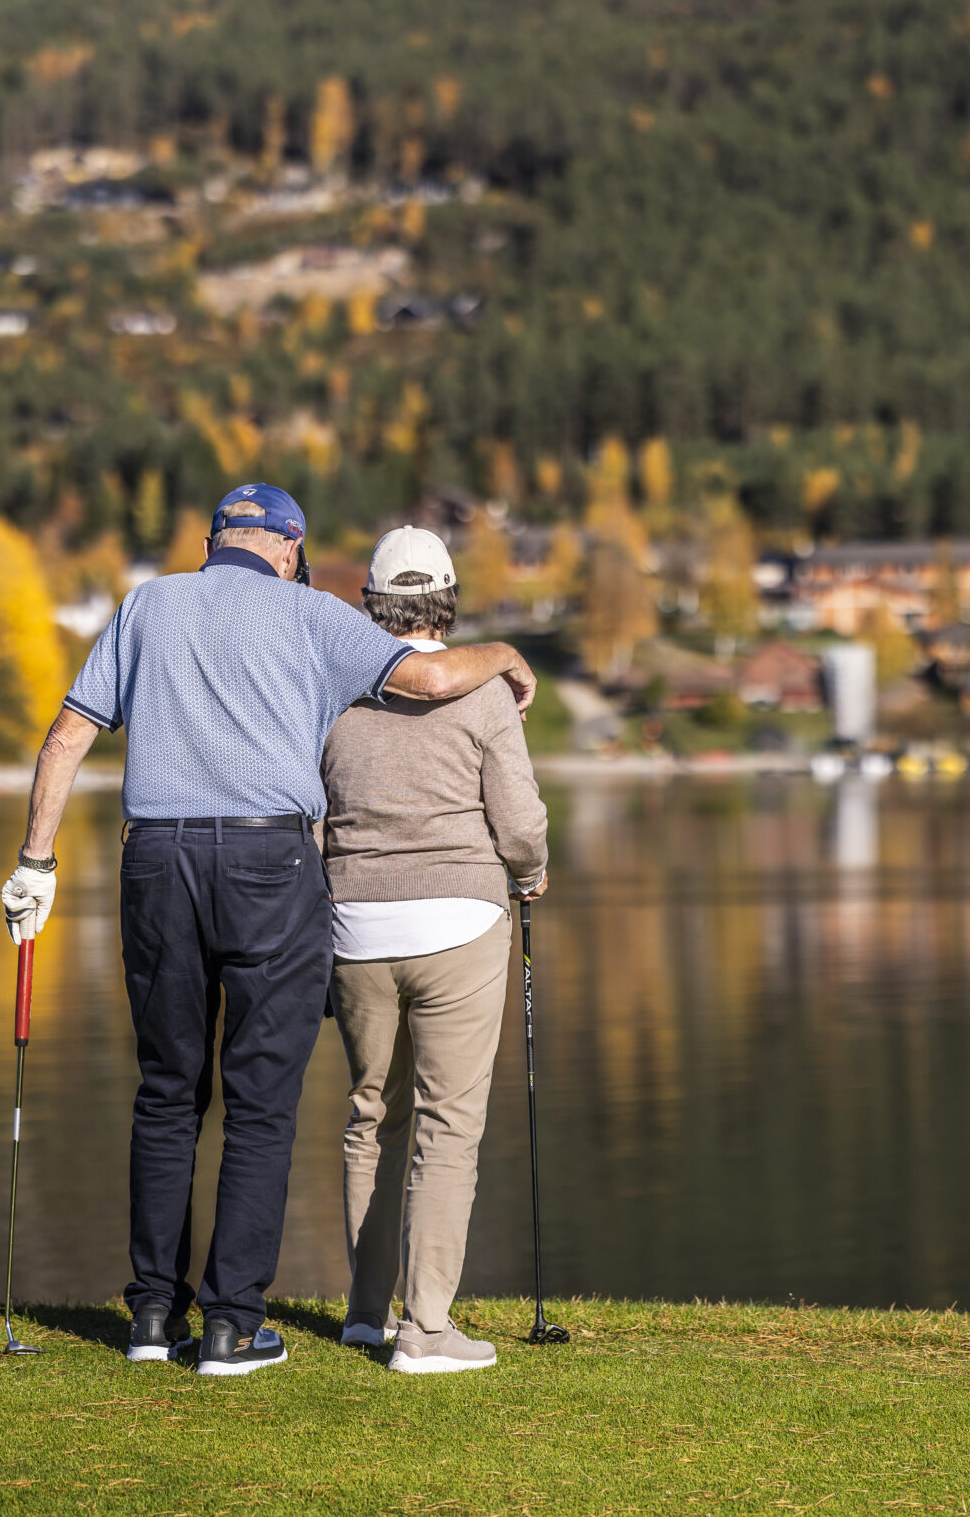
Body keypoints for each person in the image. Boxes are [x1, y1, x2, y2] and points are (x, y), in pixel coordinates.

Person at [0, 483, 537, 1378]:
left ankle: (150, 1316)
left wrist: (35, 864)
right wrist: (512, 655)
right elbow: (434, 677)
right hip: (267, 864)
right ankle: (231, 1327)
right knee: (259, 1098)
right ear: (288, 547)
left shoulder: (146, 604)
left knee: (167, 1091)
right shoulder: (308, 613)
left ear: (214, 541)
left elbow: (64, 739)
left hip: (156, 861)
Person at [320, 526, 548, 1375]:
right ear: (448, 601)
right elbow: (519, 823)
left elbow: (315, 818)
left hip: (355, 925)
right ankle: (425, 1333)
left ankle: (364, 1314)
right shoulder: (483, 691)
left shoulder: (333, 692)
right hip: (460, 920)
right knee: (448, 1126)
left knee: (371, 1114)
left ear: (373, 604)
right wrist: (531, 874)